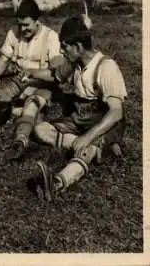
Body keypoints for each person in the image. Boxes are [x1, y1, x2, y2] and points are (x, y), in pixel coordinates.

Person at [27, 16, 126, 202]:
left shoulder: (106, 67)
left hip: (104, 124)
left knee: (89, 148)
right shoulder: (74, 64)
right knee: (40, 130)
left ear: (79, 47)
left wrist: (88, 137)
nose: (61, 51)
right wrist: (28, 73)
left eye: (64, 46)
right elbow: (53, 75)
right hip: (79, 121)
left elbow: (116, 112)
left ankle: (57, 183)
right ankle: (93, 149)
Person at [0, 0, 63, 158]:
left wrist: (34, 74)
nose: (22, 29)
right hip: (19, 80)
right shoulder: (13, 32)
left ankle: (20, 141)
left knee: (32, 103)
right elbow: (3, 60)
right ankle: (23, 113)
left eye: (26, 25)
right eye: (20, 25)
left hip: (42, 83)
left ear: (37, 21)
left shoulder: (51, 37)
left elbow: (57, 72)